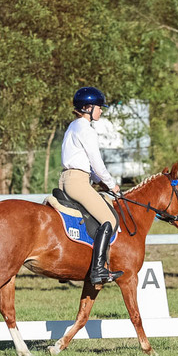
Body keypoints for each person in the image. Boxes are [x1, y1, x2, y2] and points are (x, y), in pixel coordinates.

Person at [59, 86, 123, 285]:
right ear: (88, 108)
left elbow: (85, 163)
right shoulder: (87, 130)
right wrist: (112, 185)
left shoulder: (73, 126)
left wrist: (98, 182)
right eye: (99, 107)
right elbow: (97, 163)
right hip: (77, 182)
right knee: (109, 220)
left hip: (67, 179)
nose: (101, 110)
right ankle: (98, 269)